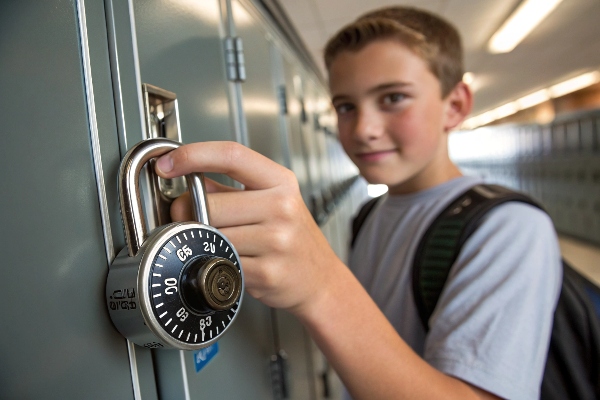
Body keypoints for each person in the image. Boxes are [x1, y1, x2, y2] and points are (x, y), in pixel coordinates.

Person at [155, 6, 562, 400]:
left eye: (393, 98)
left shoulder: (510, 228)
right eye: (346, 106)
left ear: (454, 106)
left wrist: (321, 286)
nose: (363, 129)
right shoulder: (371, 213)